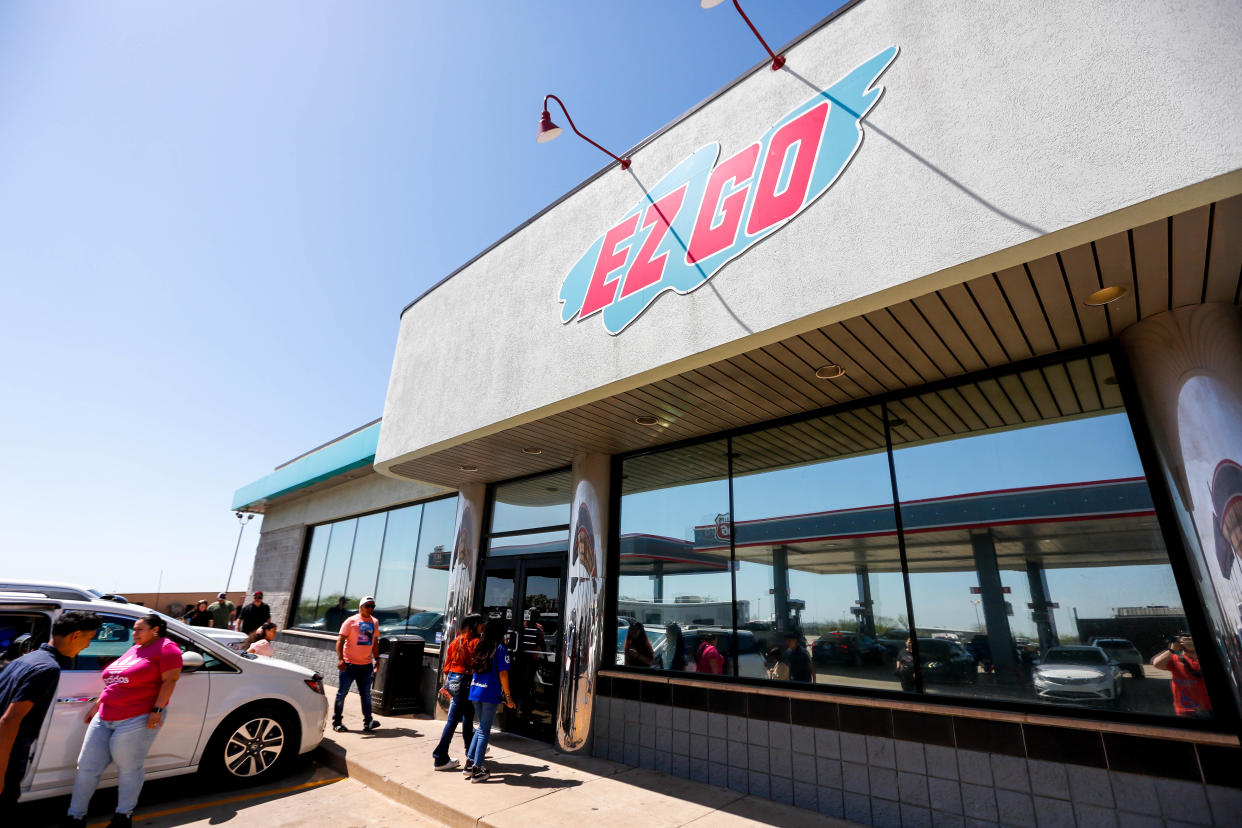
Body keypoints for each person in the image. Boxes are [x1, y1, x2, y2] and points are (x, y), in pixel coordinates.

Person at [64, 613, 183, 828]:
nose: (134, 633)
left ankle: (122, 817)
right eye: (134, 629)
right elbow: (115, 681)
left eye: (139, 629)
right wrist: (98, 703)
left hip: (136, 717)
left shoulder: (166, 648)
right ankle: (75, 817)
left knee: (129, 767)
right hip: (105, 715)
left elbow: (170, 680)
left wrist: (156, 710)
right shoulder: (134, 649)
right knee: (87, 767)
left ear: (155, 630)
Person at [0, 611, 101, 810]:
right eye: (89, 638)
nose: (87, 645)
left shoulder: (26, 659)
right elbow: (9, 721)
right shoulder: (47, 668)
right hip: (7, 757)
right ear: (75, 635)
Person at [464, 618, 515, 782]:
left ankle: (470, 763)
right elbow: (503, 674)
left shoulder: (480, 646)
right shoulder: (500, 649)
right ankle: (477, 770)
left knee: (480, 729)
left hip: (475, 692)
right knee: (484, 731)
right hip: (489, 694)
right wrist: (508, 697)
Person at [431, 613, 482, 771]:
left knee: (466, 718)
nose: (482, 626)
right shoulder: (475, 642)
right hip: (466, 681)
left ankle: (470, 752)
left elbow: (447, 666)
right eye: (481, 624)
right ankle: (440, 757)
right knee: (456, 721)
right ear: (475, 625)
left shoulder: (456, 641)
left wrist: (447, 685)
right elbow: (479, 665)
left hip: (454, 680)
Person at [333, 596, 380, 733]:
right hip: (349, 665)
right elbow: (340, 641)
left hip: (366, 666)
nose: (371, 609)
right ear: (361, 607)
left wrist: (376, 659)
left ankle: (368, 722)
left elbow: (375, 642)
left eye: (373, 606)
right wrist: (340, 659)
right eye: (368, 606)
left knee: (366, 694)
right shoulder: (351, 621)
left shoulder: (375, 622)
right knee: (342, 694)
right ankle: (337, 722)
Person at [1151, 632, 1212, 718]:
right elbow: (1157, 664)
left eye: (1189, 640)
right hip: (1183, 710)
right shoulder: (1175, 658)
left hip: (1206, 710)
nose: (1186, 644)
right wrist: (1172, 650)